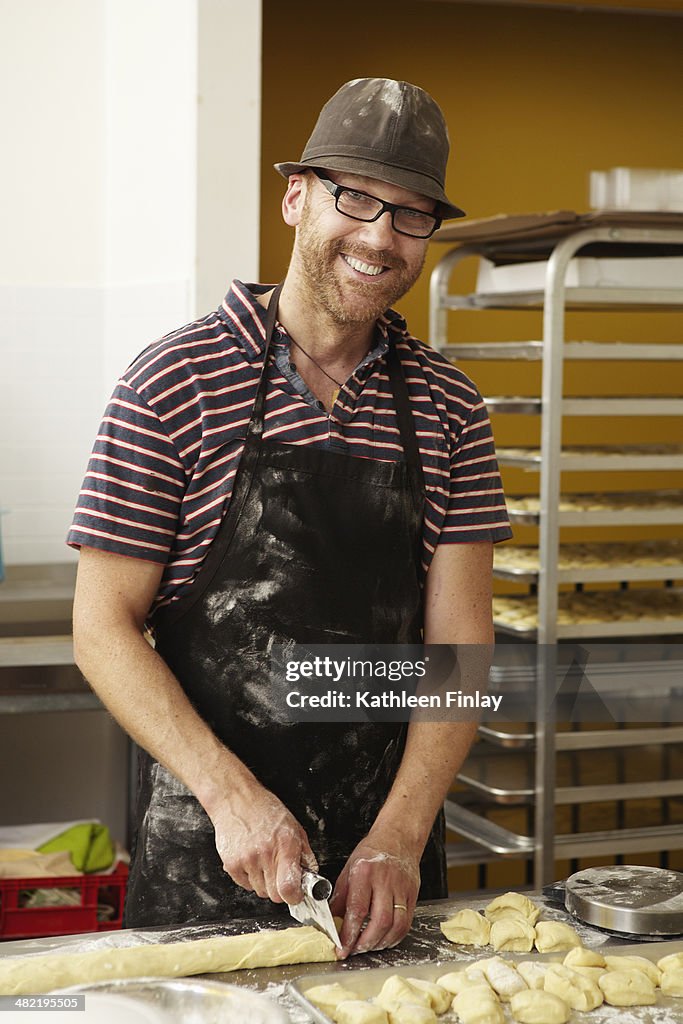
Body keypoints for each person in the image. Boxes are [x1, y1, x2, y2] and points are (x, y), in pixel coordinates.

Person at [69, 78, 512, 957]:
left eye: (412, 214)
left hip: (387, 865)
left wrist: (402, 833)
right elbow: (100, 626)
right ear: (296, 197)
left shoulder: (449, 407)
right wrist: (230, 799)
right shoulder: (175, 381)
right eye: (356, 198)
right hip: (212, 849)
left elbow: (459, 647)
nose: (380, 237)